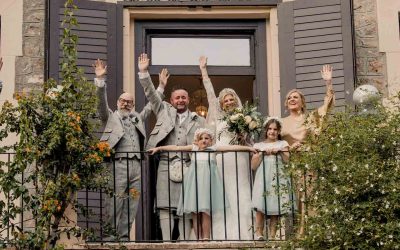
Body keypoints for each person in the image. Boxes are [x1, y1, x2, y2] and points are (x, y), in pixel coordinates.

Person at [93, 59, 168, 240]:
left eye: (129, 102)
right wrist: (100, 81)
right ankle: (111, 238)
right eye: (123, 101)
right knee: (115, 201)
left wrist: (161, 88)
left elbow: (151, 107)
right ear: (118, 102)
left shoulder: (137, 118)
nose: (126, 104)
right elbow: (101, 104)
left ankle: (124, 236)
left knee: (131, 203)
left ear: (133, 105)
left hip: (136, 166)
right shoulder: (109, 117)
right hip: (117, 164)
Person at [137, 53, 205, 241]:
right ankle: (167, 242)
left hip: (190, 166)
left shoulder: (199, 119)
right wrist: (144, 73)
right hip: (166, 163)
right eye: (177, 98)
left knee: (185, 205)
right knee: (165, 205)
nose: (180, 100)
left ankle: (183, 242)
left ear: (188, 100)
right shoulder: (164, 110)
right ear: (172, 100)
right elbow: (151, 95)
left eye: (184, 97)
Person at [148, 128, 257, 240]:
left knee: (205, 212)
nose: (204, 141)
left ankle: (206, 237)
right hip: (194, 185)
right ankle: (198, 237)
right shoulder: (194, 148)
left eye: (206, 138)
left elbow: (232, 148)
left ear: (211, 140)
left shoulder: (213, 149)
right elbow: (176, 147)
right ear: (197, 140)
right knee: (195, 213)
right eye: (201, 138)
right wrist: (159, 148)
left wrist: (249, 148)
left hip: (208, 186)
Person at [199, 56, 254, 240]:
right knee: (221, 193)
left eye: (231, 99)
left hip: (239, 159)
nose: (229, 102)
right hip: (221, 160)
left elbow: (248, 142)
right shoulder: (219, 117)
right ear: (221, 104)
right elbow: (209, 94)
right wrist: (204, 72)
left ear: (236, 101)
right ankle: (219, 233)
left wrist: (242, 136)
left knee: (241, 191)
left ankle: (244, 233)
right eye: (226, 101)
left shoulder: (244, 118)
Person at [281, 64, 335, 236]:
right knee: (295, 199)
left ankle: (311, 234)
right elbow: (274, 142)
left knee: (310, 197)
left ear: (302, 102)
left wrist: (328, 83)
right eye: (289, 98)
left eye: (295, 97)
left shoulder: (310, 117)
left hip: (308, 162)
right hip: (290, 163)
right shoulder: (281, 122)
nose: (292, 99)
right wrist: (288, 147)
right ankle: (294, 234)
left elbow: (326, 107)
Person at [251, 117, 293, 240]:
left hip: (278, 177)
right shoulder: (258, 145)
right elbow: (253, 166)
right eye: (270, 129)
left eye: (275, 129)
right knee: (260, 205)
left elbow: (287, 160)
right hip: (263, 178)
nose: (272, 131)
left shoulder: (283, 144)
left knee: (275, 205)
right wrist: (261, 153)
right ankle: (259, 233)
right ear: (266, 130)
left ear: (279, 131)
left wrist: (279, 151)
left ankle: (273, 235)